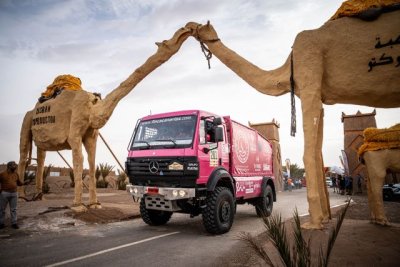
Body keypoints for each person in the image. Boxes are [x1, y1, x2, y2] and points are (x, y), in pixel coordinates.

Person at [0, 161, 23, 229]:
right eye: (14, 165)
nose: (15, 166)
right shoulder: (2, 174)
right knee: (2, 209)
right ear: (9, 166)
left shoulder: (16, 174)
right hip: (4, 193)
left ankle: (14, 223)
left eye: (15, 165)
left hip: (14, 193)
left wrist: (23, 183)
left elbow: (19, 183)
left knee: (14, 209)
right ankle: (1, 223)